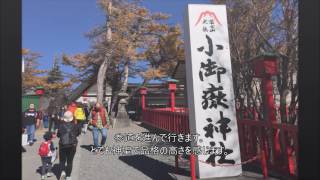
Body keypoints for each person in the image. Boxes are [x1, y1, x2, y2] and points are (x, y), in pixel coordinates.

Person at [57, 111, 81, 180]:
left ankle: (63, 172)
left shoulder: (61, 125)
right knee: (70, 161)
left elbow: (58, 135)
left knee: (62, 160)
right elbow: (78, 134)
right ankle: (68, 176)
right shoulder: (75, 126)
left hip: (62, 145)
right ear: (72, 118)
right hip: (72, 145)